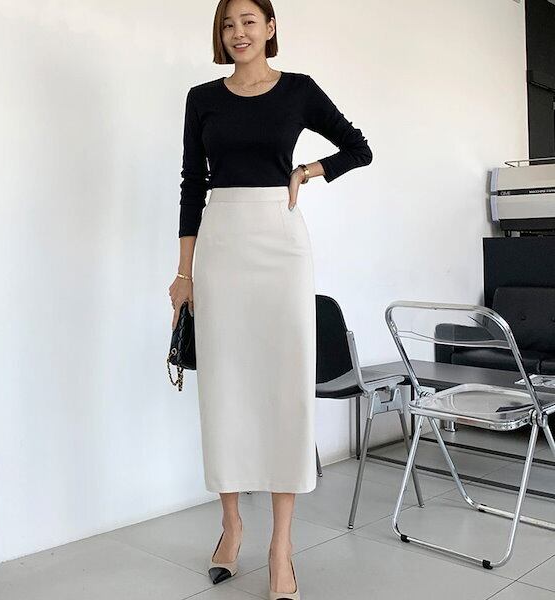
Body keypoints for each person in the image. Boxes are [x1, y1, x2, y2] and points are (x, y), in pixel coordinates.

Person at [168, 0, 372, 597]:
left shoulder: (298, 90)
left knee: (285, 387)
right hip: (221, 243)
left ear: (270, 27)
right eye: (228, 24)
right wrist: (183, 274)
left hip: (281, 245)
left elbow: (358, 147)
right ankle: (231, 526)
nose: (238, 33)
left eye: (248, 22)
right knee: (224, 386)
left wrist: (309, 170)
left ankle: (282, 546)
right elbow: (191, 185)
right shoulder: (202, 98)